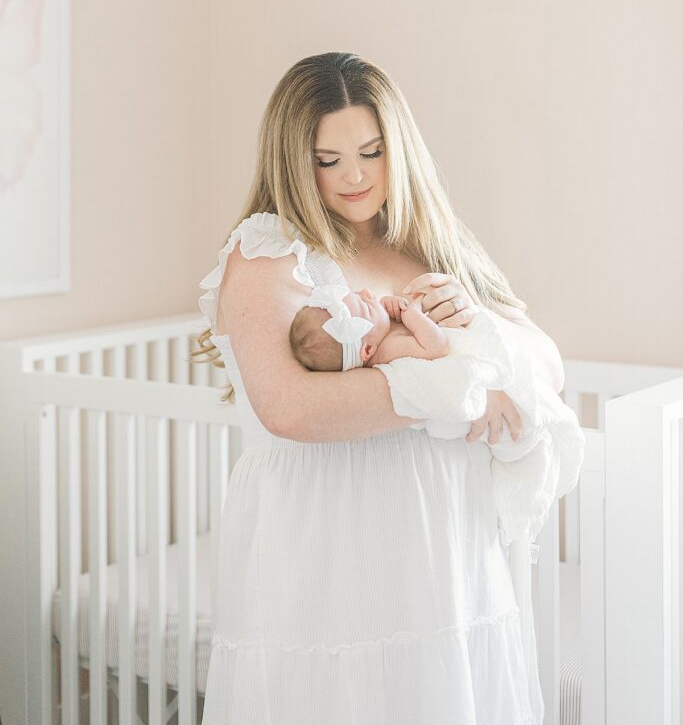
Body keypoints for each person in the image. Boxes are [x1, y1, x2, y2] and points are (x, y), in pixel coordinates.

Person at [194, 51, 566, 723]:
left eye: (370, 151)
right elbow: (290, 408)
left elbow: (545, 361)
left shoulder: (429, 245)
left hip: (442, 551)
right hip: (333, 546)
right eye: (326, 159)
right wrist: (464, 391)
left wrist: (473, 324)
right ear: (290, 159)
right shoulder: (270, 251)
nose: (354, 176)